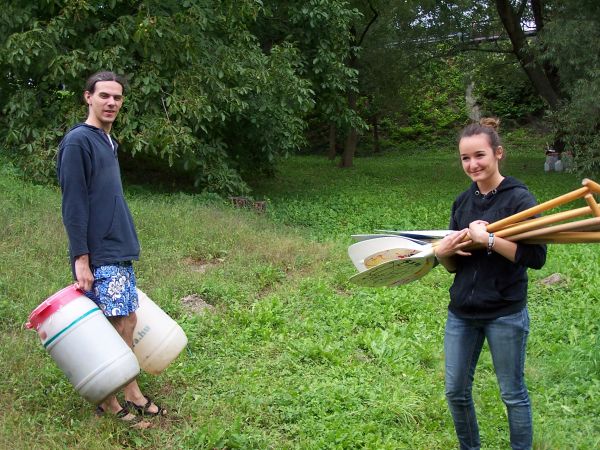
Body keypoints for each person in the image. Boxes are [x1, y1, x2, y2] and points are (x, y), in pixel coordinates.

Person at [57, 71, 166, 425]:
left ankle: (130, 390)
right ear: (87, 97)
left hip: (118, 247)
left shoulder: (107, 141)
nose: (111, 103)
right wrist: (82, 258)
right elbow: (73, 204)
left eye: (117, 98)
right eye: (104, 95)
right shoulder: (78, 142)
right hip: (100, 251)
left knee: (127, 319)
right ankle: (110, 399)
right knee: (117, 323)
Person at [434, 118, 547, 450]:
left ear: (498, 153)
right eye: (465, 158)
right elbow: (455, 267)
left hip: (504, 313)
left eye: (479, 155)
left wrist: (490, 239)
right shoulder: (462, 202)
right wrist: (442, 254)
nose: (473, 164)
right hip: (462, 313)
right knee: (455, 391)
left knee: (512, 394)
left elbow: (536, 257)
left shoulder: (520, 200)